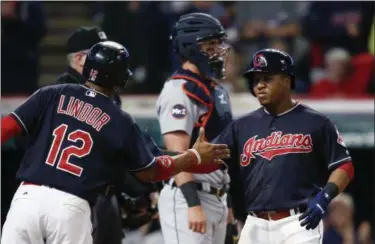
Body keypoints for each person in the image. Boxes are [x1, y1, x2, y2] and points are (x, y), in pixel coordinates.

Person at [0, 40, 230, 244]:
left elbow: (5, 128)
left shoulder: (52, 93)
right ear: (122, 78)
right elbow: (151, 171)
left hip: (26, 200)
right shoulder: (119, 119)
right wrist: (194, 156)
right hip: (70, 207)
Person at [211, 48, 355, 244]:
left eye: (267, 78)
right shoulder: (241, 126)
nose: (259, 85)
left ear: (287, 80)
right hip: (255, 223)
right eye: (256, 80)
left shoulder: (316, 121)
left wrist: (325, 197)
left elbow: (344, 166)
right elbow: (208, 160)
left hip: (299, 222)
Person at [157, 13, 234, 244]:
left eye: (218, 43)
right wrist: (193, 204)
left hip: (216, 194)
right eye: (210, 44)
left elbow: (223, 154)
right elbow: (175, 154)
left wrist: (227, 202)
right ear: (190, 47)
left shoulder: (214, 90)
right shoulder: (179, 90)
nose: (218, 50)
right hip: (189, 196)